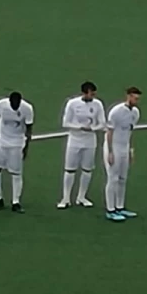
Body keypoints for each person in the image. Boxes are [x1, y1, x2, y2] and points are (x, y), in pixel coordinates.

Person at [57, 82, 105, 210]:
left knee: (87, 169)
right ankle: (65, 198)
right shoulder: (72, 103)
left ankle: (81, 197)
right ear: (85, 92)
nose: (93, 96)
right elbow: (65, 123)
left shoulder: (98, 104)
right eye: (91, 93)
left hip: (90, 141)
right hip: (74, 140)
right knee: (70, 169)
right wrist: (80, 127)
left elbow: (102, 123)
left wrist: (93, 128)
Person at [0, 91, 34, 213]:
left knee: (16, 173)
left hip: (17, 144)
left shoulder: (27, 108)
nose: (15, 107)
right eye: (13, 104)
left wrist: (26, 146)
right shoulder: (1, 105)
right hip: (1, 142)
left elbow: (29, 129)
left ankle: (16, 202)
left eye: (17, 104)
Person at [103, 87, 142, 222]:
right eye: (134, 98)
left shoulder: (135, 113)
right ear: (128, 96)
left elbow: (130, 132)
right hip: (114, 146)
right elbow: (109, 132)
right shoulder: (116, 111)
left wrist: (130, 149)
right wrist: (110, 151)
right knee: (112, 178)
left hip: (124, 147)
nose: (136, 101)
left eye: (138, 99)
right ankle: (110, 209)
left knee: (122, 178)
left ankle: (120, 206)